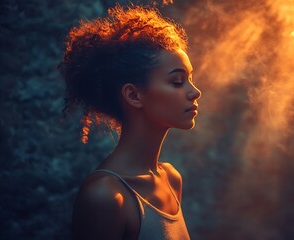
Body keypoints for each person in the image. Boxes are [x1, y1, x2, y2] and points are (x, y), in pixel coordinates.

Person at [57, 3, 201, 240]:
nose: (195, 92)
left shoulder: (171, 179)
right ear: (134, 95)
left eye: (190, 79)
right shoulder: (105, 196)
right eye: (177, 81)